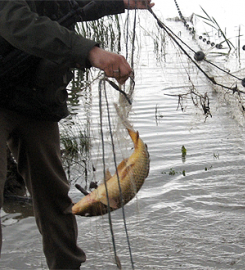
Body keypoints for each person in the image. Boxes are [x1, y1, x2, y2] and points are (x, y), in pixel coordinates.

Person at [0, 0, 154, 269]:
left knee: (55, 198)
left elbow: (71, 6)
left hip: (36, 102)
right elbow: (16, 22)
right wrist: (91, 52)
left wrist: (120, 2)